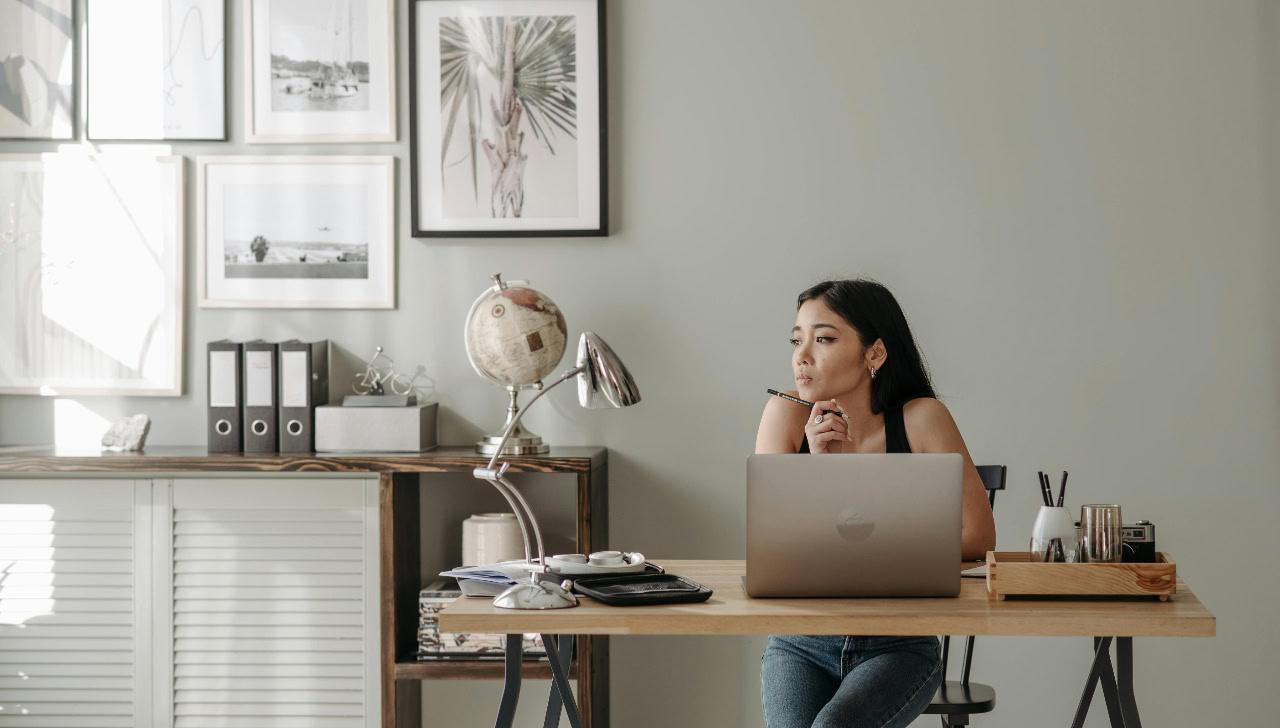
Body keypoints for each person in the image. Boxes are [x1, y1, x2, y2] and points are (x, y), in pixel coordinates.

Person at [756, 279, 996, 728]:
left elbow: (978, 538)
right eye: (797, 339)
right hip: (800, 642)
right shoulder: (784, 415)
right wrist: (822, 471)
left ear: (875, 353)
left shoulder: (922, 418)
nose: (801, 356)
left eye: (824, 338)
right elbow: (776, 547)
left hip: (899, 645)